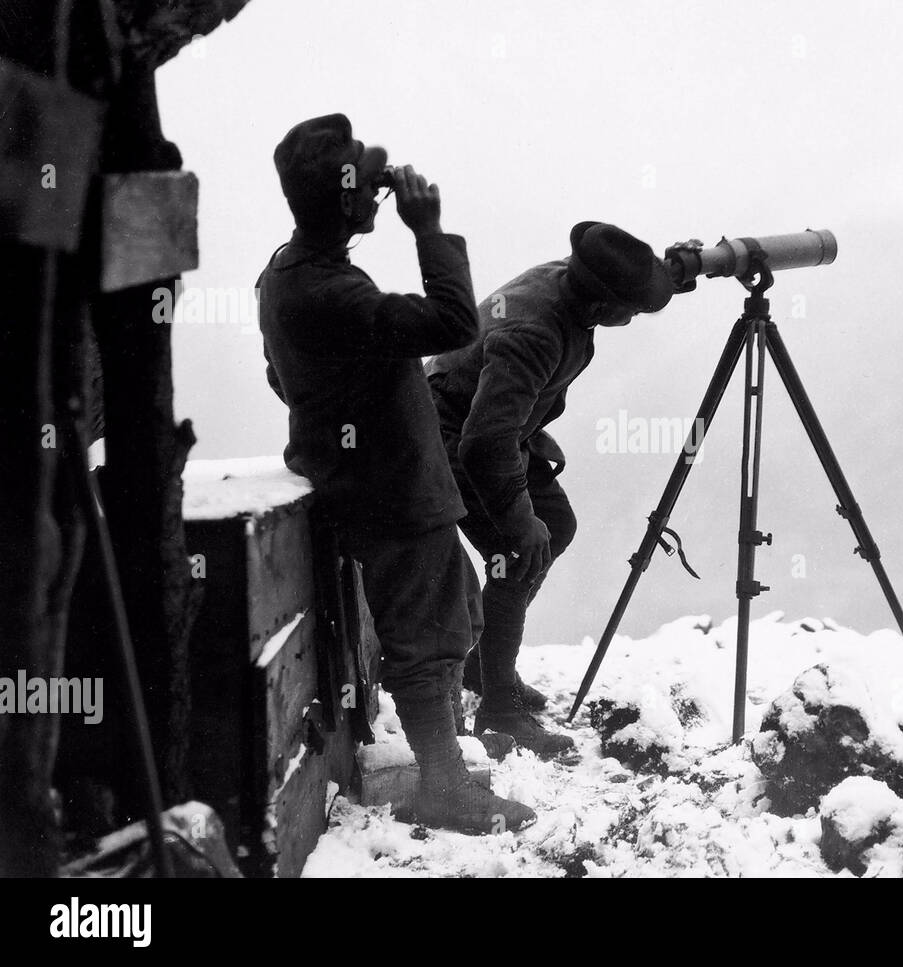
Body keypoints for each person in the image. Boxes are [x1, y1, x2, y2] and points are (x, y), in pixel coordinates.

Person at [258, 113, 532, 833]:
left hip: (388, 478)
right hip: (390, 489)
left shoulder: (289, 273)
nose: (378, 195)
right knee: (425, 636)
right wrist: (427, 227)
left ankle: (447, 766)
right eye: (366, 187)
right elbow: (452, 322)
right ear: (345, 200)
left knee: (454, 612)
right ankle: (442, 785)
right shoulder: (333, 292)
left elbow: (278, 375)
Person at [427, 221, 674, 758]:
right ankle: (499, 707)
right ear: (601, 305)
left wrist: (673, 274)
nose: (631, 318)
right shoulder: (534, 333)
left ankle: (484, 663)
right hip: (456, 432)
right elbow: (484, 443)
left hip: (496, 424)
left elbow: (628, 283)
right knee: (516, 551)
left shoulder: (572, 279)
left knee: (555, 525)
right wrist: (517, 522)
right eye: (629, 309)